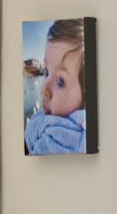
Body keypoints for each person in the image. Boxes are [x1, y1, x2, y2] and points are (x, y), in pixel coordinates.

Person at [25, 20, 91, 155]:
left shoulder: (61, 140)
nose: (44, 90)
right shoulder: (52, 114)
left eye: (60, 82)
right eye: (47, 72)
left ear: (85, 98)